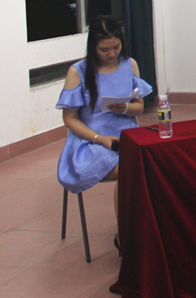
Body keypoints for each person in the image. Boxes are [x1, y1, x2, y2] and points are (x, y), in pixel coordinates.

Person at [55, 15, 152, 234]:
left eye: (116, 47)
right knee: (130, 169)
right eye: (104, 50)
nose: (111, 54)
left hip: (125, 133)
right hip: (90, 140)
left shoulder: (129, 65)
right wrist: (101, 139)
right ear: (93, 47)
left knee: (153, 163)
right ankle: (126, 235)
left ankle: (143, 229)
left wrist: (126, 108)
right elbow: (69, 119)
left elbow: (139, 107)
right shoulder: (78, 71)